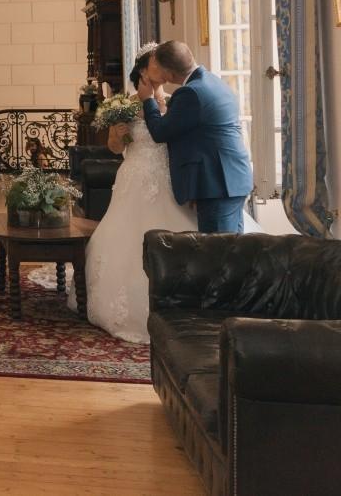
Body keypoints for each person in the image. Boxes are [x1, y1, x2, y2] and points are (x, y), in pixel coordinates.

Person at [72, 45, 260, 343]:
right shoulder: (129, 106)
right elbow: (116, 148)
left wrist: (151, 103)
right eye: (153, 67)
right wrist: (118, 137)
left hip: (185, 182)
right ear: (144, 72)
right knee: (217, 249)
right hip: (147, 179)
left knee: (216, 249)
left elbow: (165, 135)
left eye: (161, 67)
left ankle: (220, 317)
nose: (159, 75)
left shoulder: (181, 99)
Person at [137, 40, 253, 233]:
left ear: (170, 72)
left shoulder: (190, 93)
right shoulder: (213, 80)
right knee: (234, 255)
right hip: (230, 179)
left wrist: (148, 99)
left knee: (217, 254)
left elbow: (160, 132)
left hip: (217, 184)